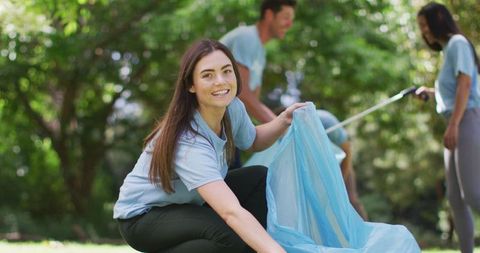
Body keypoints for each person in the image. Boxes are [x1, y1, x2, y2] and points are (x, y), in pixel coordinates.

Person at [113, 39, 305, 253]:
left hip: (187, 204)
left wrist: (284, 120)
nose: (221, 81)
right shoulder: (188, 140)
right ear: (191, 85)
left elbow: (253, 140)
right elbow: (230, 212)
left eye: (227, 71)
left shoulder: (231, 108)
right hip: (144, 217)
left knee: (259, 179)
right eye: (208, 75)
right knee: (229, 234)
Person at [415, 2, 480, 253]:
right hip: (455, 121)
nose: (424, 31)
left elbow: (466, 84)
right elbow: (455, 90)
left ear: (439, 19)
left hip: (466, 121)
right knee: (455, 198)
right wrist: (430, 93)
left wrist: (454, 124)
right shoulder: (448, 51)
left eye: (425, 25)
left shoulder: (457, 44)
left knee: (473, 194)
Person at [220, 0, 296, 124]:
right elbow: (242, 93)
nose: (289, 24)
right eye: (286, 17)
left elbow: (252, 102)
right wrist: (279, 124)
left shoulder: (260, 52)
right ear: (269, 15)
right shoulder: (247, 37)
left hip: (229, 127)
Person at [317, 109, 368, 220]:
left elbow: (346, 150)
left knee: (350, 199)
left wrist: (340, 183)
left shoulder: (325, 121)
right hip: (318, 166)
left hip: (341, 162)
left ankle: (368, 235)